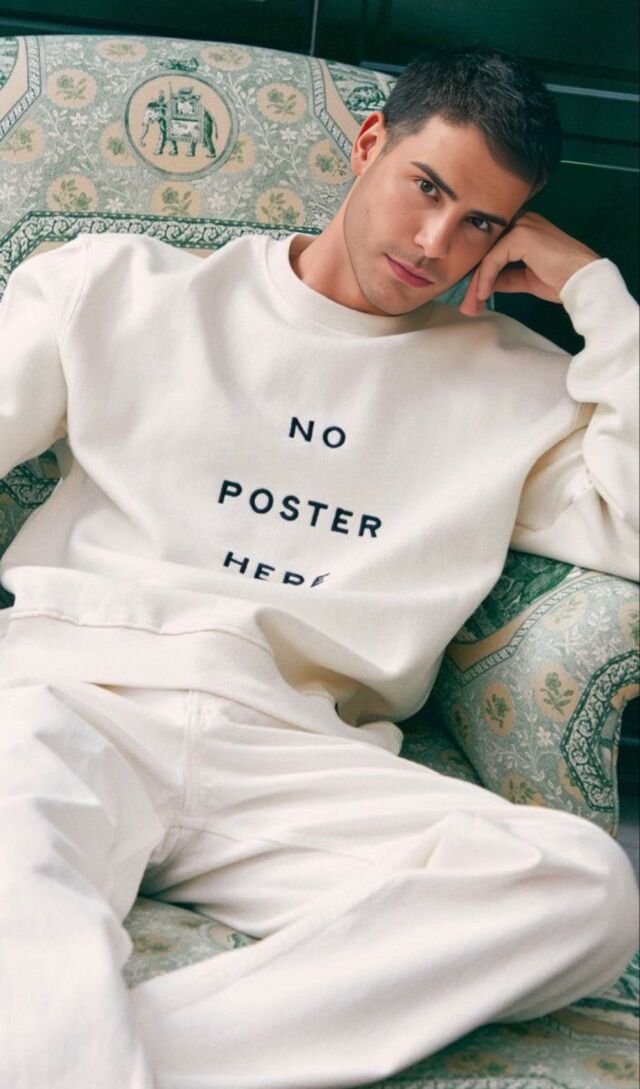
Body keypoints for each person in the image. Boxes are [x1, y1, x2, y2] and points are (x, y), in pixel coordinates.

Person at [0, 43, 638, 1089]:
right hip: (72, 700)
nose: (435, 243)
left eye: (480, 223)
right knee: (13, 865)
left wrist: (600, 296)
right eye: (426, 187)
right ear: (369, 142)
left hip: (295, 757)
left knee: (585, 889)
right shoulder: (114, 286)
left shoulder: (520, 389)